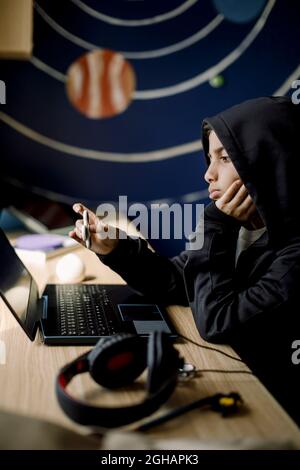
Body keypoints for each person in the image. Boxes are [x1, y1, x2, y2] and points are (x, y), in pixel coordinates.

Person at [69, 96, 300, 424]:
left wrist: (214, 225)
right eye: (209, 158)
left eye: (225, 158)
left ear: (265, 160)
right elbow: (179, 280)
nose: (208, 174)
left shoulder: (293, 257)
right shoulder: (244, 224)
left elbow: (218, 321)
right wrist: (115, 249)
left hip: (274, 411)